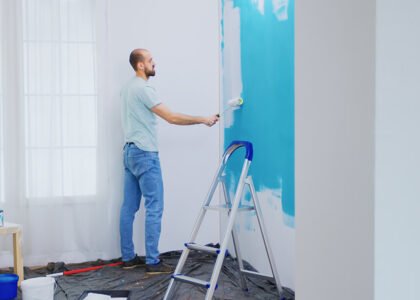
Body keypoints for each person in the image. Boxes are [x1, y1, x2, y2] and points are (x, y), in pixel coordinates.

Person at [120, 48, 219, 274]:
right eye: (151, 60)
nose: (155, 63)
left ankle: (128, 258)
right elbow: (171, 117)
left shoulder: (126, 88)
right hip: (145, 153)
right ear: (140, 65)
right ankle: (153, 262)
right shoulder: (143, 88)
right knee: (154, 208)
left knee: (129, 208)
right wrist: (203, 119)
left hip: (129, 152)